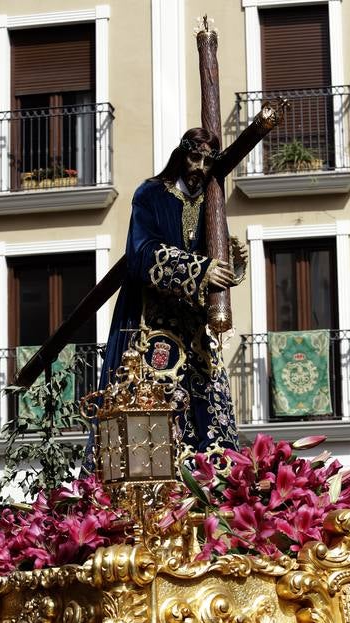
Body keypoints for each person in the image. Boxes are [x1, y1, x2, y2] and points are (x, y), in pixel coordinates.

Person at [96, 127, 245, 463]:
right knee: (148, 409)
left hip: (193, 326)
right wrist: (198, 269)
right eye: (195, 158)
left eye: (208, 162)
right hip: (151, 322)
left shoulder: (212, 203)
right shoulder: (149, 194)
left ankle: (213, 478)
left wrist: (228, 269)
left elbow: (214, 258)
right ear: (181, 156)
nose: (200, 169)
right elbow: (141, 252)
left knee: (207, 407)